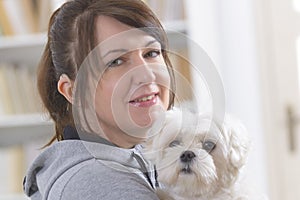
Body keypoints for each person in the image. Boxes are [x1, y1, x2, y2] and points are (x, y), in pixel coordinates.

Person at [23, 0, 175, 199]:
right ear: (72, 91)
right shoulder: (102, 185)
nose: (146, 75)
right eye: (115, 62)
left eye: (151, 53)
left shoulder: (147, 160)